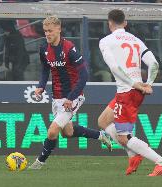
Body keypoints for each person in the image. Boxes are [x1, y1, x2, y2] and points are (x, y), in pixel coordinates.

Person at [28, 16, 112, 169]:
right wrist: (41, 86)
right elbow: (46, 69)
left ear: (59, 29)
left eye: (50, 31)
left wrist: (71, 97)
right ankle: (100, 135)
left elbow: (84, 75)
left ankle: (39, 162)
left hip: (73, 97)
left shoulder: (69, 48)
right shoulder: (44, 49)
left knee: (52, 132)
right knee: (67, 132)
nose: (47, 34)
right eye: (45, 31)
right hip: (57, 97)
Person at [98, 9, 162, 176]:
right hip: (133, 91)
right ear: (125, 23)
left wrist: (134, 84)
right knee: (103, 121)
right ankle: (133, 156)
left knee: (124, 138)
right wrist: (148, 84)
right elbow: (153, 63)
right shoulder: (136, 40)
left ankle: (161, 162)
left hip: (128, 92)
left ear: (109, 22)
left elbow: (114, 67)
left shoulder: (105, 41)